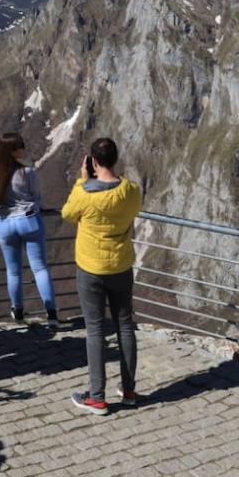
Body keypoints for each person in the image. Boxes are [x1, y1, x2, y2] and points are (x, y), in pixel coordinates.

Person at [62, 138, 142, 416]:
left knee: (95, 330)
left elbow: (68, 213)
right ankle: (129, 390)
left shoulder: (85, 193)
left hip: (91, 268)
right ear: (115, 159)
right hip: (120, 266)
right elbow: (132, 209)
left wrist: (81, 182)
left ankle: (97, 397)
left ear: (93, 162)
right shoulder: (131, 191)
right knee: (125, 325)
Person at [0, 132, 58, 328]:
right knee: (40, 268)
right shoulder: (27, 173)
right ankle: (52, 314)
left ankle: (17, 311)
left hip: (5, 223)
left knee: (14, 270)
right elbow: (36, 198)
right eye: (20, 146)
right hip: (29, 221)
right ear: (13, 150)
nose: (23, 149)